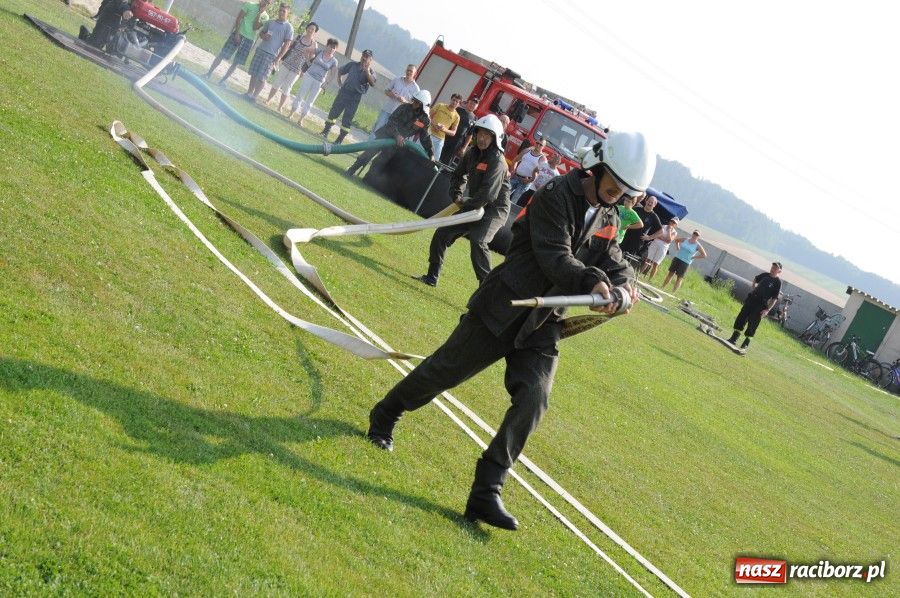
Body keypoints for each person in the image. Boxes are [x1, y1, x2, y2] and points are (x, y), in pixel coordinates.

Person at [368, 130, 655, 531]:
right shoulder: (556, 193)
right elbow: (556, 257)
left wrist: (626, 287)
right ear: (599, 166)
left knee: (534, 399)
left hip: (542, 324)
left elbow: (613, 258)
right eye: (615, 185)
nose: (619, 195)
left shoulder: (609, 215)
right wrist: (594, 284)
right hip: (503, 306)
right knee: (443, 371)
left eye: (626, 191)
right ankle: (385, 414)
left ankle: (486, 491)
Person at [412, 114, 510, 287]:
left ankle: (487, 291)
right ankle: (431, 277)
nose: (482, 138)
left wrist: (467, 204)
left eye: (487, 135)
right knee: (442, 233)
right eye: (480, 133)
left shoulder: (498, 160)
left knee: (478, 241)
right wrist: (457, 195)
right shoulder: (472, 154)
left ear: (495, 138)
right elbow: (458, 175)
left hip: (494, 209)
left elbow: (489, 194)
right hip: (474, 203)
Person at [346, 89, 434, 176]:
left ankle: (368, 179)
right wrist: (397, 135)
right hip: (385, 134)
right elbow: (391, 122)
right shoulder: (404, 107)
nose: (414, 103)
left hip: (396, 144)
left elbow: (425, 138)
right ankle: (352, 170)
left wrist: (431, 153)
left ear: (423, 106)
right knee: (369, 153)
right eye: (414, 100)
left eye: (417, 102)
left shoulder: (424, 120)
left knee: (381, 161)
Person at [204, 0, 271, 86]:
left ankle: (222, 81)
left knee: (237, 62)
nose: (266, 3)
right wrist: (237, 34)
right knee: (223, 54)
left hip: (249, 40)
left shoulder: (265, 17)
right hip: (238, 33)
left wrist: (259, 13)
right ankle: (208, 74)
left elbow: (255, 27)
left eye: (268, 2)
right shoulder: (249, 5)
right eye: (265, 0)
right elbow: (239, 18)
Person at [321, 49, 377, 144]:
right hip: (344, 92)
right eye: (363, 55)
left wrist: (367, 71)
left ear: (370, 60)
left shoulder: (371, 72)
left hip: (355, 97)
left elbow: (372, 83)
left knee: (347, 118)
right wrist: (340, 83)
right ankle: (325, 131)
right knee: (334, 112)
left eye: (367, 57)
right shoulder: (353, 65)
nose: (364, 58)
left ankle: (339, 140)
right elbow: (340, 71)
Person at [244, 3, 294, 101]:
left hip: (272, 56)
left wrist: (278, 58)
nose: (281, 12)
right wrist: (264, 36)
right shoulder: (270, 22)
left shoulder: (289, 27)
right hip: (261, 50)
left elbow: (287, 45)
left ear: (288, 12)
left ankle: (254, 97)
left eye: (284, 11)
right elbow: (261, 33)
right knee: (254, 73)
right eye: (280, 10)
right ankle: (248, 93)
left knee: (262, 77)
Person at [728, 262, 783, 350]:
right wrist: (754, 286)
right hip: (751, 299)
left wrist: (767, 310)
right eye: (772, 267)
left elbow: (774, 298)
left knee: (753, 323)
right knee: (741, 318)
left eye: (775, 268)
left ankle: (745, 345)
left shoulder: (777, 282)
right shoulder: (765, 275)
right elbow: (756, 278)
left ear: (779, 271)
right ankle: (733, 339)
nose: (773, 269)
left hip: (761, 304)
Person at [265, 21, 318, 112]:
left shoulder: (314, 44)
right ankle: (268, 100)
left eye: (313, 29)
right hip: (287, 62)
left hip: (298, 68)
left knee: (287, 87)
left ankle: (280, 106)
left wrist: (303, 70)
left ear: (315, 32)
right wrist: (280, 58)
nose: (310, 30)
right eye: (309, 28)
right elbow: (288, 47)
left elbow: (311, 59)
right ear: (307, 28)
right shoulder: (298, 37)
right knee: (278, 82)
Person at [287, 38, 340, 125]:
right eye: (331, 46)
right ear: (327, 46)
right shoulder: (319, 51)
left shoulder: (334, 61)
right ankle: (290, 114)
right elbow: (306, 49)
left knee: (310, 100)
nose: (332, 49)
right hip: (309, 76)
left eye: (334, 48)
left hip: (319, 81)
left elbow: (333, 74)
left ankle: (300, 119)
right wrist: (308, 61)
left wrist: (326, 83)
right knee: (301, 94)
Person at [369, 65, 420, 140]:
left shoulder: (416, 89)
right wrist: (393, 95)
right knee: (377, 129)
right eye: (408, 70)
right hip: (387, 110)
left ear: (415, 73)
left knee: (389, 134)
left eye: (411, 71)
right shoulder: (397, 79)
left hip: (399, 116)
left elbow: (415, 106)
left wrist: (405, 101)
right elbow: (386, 91)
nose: (409, 72)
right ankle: (368, 146)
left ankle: (378, 149)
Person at [620, 195, 661, 262]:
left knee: (626, 261)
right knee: (618, 254)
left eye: (652, 203)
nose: (650, 203)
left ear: (654, 205)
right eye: (649, 201)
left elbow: (661, 231)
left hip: (636, 242)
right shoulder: (636, 209)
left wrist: (649, 237)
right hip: (625, 236)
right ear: (646, 200)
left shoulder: (654, 216)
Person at [441, 96, 480, 162]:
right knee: (438, 153)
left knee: (447, 160)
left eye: (474, 104)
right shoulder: (458, 110)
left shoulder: (475, 119)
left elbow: (470, 135)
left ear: (476, 107)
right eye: (471, 103)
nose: (472, 105)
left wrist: (464, 148)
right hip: (446, 136)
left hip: (458, 143)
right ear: (467, 103)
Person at [509, 138, 546, 204]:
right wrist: (512, 171)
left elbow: (539, 174)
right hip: (515, 177)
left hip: (525, 182)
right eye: (537, 143)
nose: (538, 145)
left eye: (540, 145)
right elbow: (515, 160)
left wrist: (529, 181)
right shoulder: (527, 151)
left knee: (513, 201)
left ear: (543, 147)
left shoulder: (542, 159)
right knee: (503, 195)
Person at [428, 94, 462, 160]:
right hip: (428, 133)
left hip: (439, 140)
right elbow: (428, 116)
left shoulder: (457, 116)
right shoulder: (440, 105)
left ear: (459, 104)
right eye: (453, 100)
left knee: (433, 160)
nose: (454, 102)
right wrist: (434, 125)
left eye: (457, 102)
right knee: (419, 152)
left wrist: (444, 129)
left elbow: (453, 132)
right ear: (451, 99)